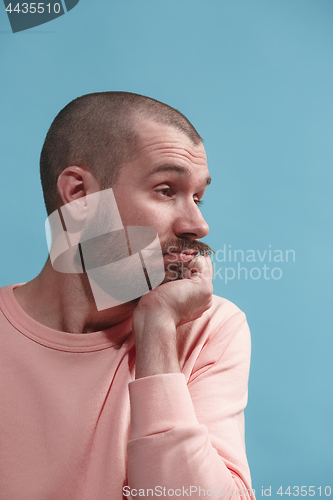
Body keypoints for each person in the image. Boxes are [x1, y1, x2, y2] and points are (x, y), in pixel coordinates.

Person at [0, 92, 255, 500]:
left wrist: (157, 332)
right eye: (167, 190)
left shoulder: (207, 329)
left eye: (198, 197)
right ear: (80, 196)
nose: (198, 224)